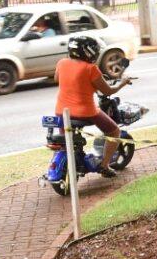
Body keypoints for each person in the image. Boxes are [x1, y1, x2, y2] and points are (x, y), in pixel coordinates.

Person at [54, 35, 130, 177]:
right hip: (85, 112)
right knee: (114, 131)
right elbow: (107, 91)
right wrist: (123, 83)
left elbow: (57, 78)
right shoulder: (91, 68)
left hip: (61, 112)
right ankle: (104, 166)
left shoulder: (62, 63)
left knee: (65, 142)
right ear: (88, 52)